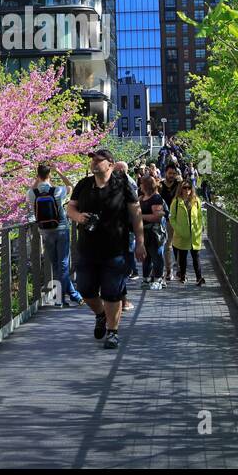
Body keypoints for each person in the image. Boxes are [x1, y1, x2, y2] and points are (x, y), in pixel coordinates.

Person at [67, 150, 146, 350]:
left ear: (110, 164)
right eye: (92, 159)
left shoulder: (122, 184)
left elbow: (136, 213)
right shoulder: (84, 185)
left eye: (98, 160)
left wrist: (140, 242)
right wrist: (78, 217)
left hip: (115, 250)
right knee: (85, 289)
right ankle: (101, 314)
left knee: (112, 293)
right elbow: (70, 208)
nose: (94, 162)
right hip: (87, 249)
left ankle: (112, 332)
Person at [28, 163, 81, 308]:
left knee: (56, 265)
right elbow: (71, 186)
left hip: (45, 231)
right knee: (63, 264)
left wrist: (37, 181)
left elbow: (31, 191)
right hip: (61, 228)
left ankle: (67, 296)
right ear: (49, 175)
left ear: (37, 176)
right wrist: (58, 171)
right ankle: (65, 297)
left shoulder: (32, 193)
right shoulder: (57, 191)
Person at [168, 179, 206, 286]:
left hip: (195, 234)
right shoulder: (176, 202)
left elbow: (200, 216)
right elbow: (172, 218)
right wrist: (178, 229)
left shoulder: (196, 200)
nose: (187, 190)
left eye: (189, 188)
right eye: (184, 188)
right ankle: (183, 276)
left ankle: (199, 278)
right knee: (183, 257)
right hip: (182, 234)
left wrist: (200, 227)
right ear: (180, 189)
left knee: (196, 256)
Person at [138, 174, 168, 290]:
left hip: (154, 232)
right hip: (144, 232)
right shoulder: (141, 198)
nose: (140, 185)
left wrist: (140, 217)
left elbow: (157, 217)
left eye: (142, 183)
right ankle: (146, 279)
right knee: (146, 256)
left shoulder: (156, 198)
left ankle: (158, 279)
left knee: (156, 256)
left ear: (146, 185)